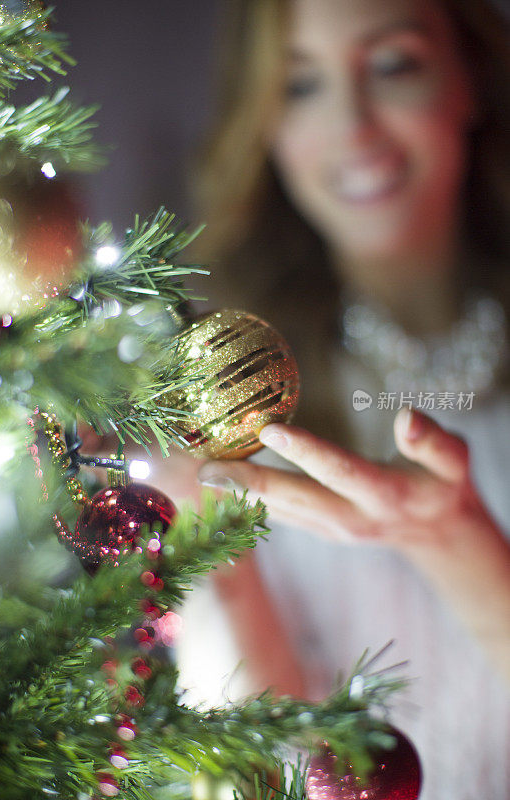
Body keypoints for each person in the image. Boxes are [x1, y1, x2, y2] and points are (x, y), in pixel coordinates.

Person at [168, 0, 510, 797]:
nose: (350, 125)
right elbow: (254, 760)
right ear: (263, 126)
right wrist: (207, 561)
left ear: (468, 78)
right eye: (298, 87)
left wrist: (453, 540)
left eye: (391, 65)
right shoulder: (229, 402)